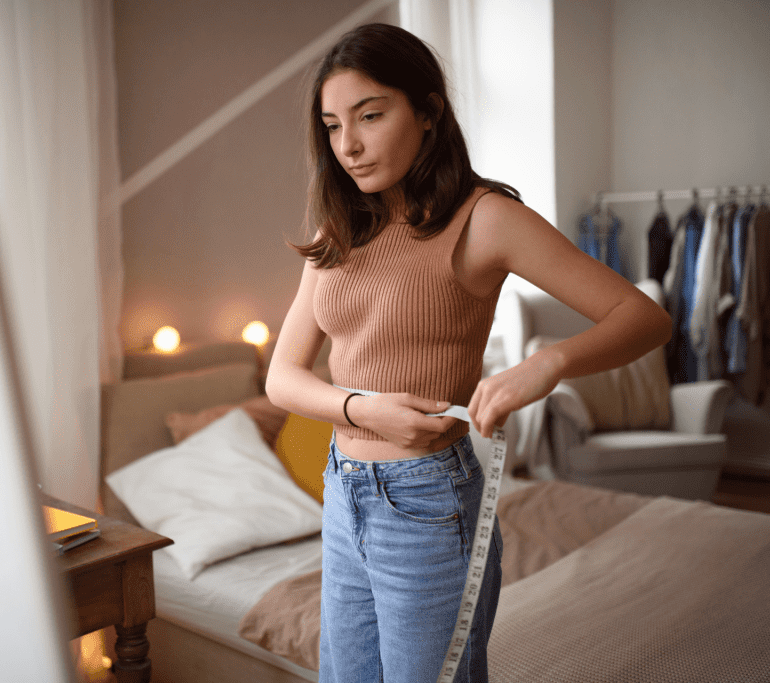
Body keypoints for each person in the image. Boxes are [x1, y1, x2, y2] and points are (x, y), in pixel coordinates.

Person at [264, 22, 671, 683]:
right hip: (341, 491)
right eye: (333, 126)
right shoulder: (338, 228)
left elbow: (645, 318)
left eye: (370, 115)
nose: (351, 145)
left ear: (427, 112)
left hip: (425, 502)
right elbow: (281, 376)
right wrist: (361, 409)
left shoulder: (484, 219)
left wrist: (546, 364)